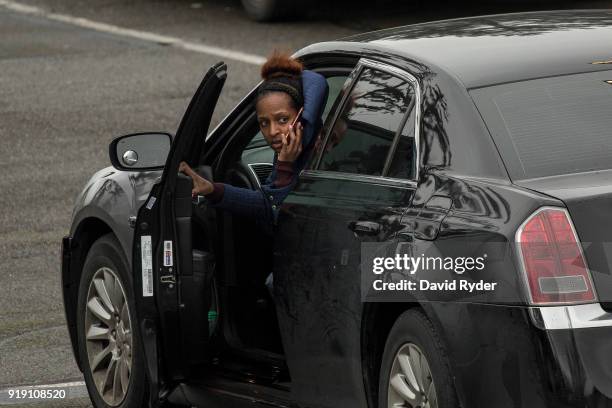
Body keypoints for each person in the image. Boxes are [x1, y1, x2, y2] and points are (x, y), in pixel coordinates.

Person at [179, 51, 329, 229]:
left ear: (300, 115)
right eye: (264, 123)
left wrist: (287, 163)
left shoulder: (313, 151)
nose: (272, 131)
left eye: (283, 119)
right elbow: (266, 204)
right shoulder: (288, 151)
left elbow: (278, 215)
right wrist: (212, 189)